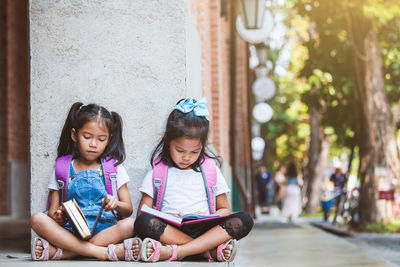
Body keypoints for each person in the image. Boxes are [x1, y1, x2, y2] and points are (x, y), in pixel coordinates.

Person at [134, 97, 254, 262]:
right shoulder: (158, 171)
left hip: (204, 229)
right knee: (142, 222)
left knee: (244, 220)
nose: (186, 157)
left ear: (202, 147)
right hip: (171, 230)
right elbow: (143, 212)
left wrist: (206, 217)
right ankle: (206, 251)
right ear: (168, 141)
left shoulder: (211, 170)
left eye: (194, 152)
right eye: (180, 150)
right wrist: (165, 215)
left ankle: (173, 253)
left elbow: (224, 209)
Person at [30, 102, 141, 261]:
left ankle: (66, 253)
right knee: (37, 219)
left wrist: (115, 204)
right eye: (87, 137)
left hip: (105, 230)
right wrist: (59, 216)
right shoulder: (62, 167)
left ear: (109, 139)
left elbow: (128, 209)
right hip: (71, 232)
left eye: (101, 139)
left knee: (130, 224)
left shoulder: (114, 168)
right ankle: (104, 253)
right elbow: (53, 213)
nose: (93, 144)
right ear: (74, 135)